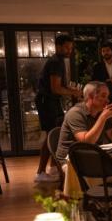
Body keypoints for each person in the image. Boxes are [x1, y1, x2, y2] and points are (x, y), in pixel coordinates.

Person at [34, 34, 82, 182]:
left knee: (56, 133)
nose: (69, 50)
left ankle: (53, 169)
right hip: (47, 101)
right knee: (52, 135)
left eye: (71, 48)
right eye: (67, 47)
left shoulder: (58, 61)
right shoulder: (56, 62)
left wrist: (68, 88)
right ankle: (41, 172)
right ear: (58, 46)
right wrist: (74, 92)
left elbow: (58, 86)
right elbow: (55, 88)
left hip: (49, 101)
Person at [55, 81, 112, 167]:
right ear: (91, 96)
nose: (107, 100)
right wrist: (102, 118)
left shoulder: (101, 112)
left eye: (107, 96)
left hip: (90, 156)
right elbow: (86, 142)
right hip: (70, 161)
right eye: (103, 96)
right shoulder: (75, 113)